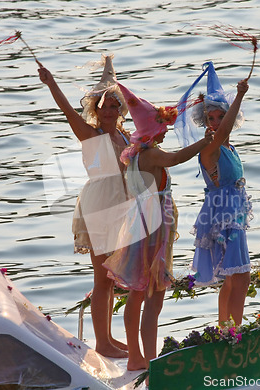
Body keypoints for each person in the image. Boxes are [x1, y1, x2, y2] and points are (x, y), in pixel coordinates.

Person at [102, 82, 213, 371]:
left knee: (138, 294)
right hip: (153, 231)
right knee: (152, 297)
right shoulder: (150, 155)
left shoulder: (136, 154)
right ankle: (152, 363)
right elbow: (176, 158)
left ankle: (137, 357)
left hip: (142, 226)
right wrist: (204, 141)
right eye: (162, 125)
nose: (165, 129)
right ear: (152, 130)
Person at [38, 54, 130, 358]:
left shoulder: (125, 135)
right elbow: (66, 110)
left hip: (122, 207)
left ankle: (109, 337)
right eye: (104, 105)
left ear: (121, 109)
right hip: (100, 206)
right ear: (96, 109)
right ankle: (102, 343)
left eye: (115, 104)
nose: (110, 110)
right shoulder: (91, 134)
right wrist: (52, 84)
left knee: (113, 277)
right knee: (102, 277)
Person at [176, 61, 252, 326]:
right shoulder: (210, 147)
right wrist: (239, 96)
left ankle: (226, 329)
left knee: (234, 277)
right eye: (211, 118)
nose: (217, 123)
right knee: (240, 275)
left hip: (234, 212)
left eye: (221, 116)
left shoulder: (228, 147)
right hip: (223, 214)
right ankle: (235, 330)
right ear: (204, 121)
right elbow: (224, 133)